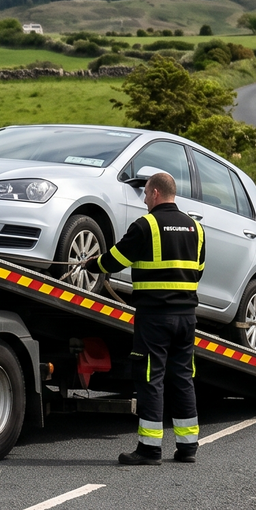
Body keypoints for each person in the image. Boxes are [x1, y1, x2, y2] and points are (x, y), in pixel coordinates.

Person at [93, 172, 205, 465]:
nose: (143, 200)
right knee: (182, 378)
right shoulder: (196, 228)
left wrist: (95, 263)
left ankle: (149, 449)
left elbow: (117, 257)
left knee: (150, 378)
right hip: (186, 318)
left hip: (155, 317)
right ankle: (188, 447)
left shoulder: (147, 225)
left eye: (145, 194)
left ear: (155, 193)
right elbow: (199, 269)